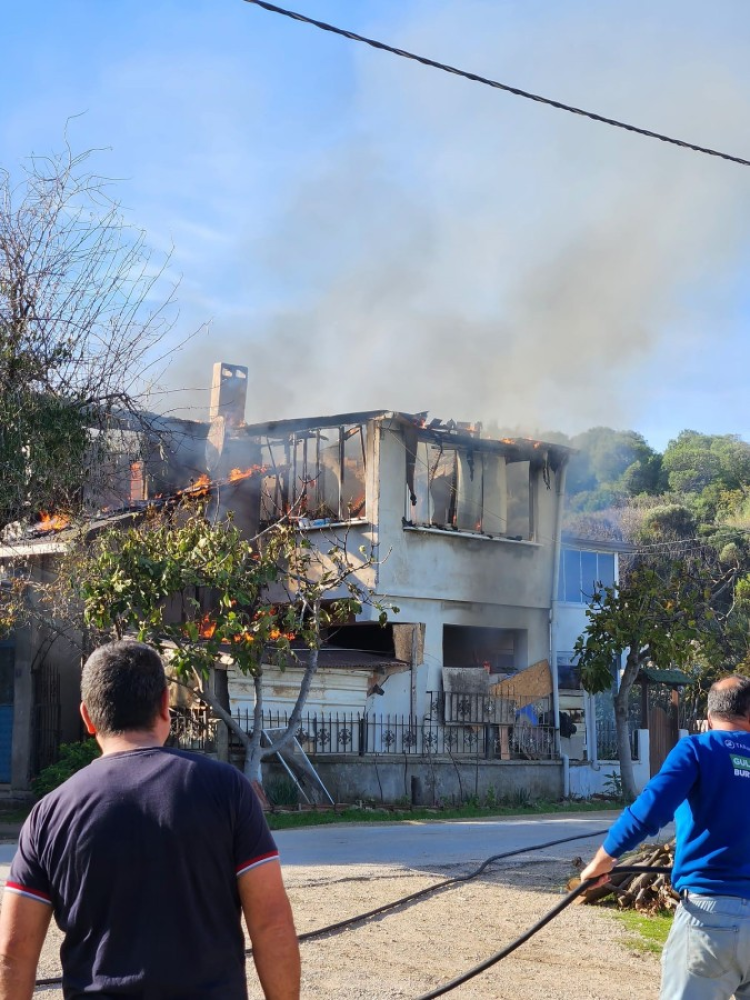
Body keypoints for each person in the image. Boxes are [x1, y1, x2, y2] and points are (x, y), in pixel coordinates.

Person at [0, 640, 301, 1000]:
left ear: (87, 718)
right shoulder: (227, 790)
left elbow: (13, 954)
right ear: (164, 705)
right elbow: (272, 924)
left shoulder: (49, 814)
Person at [581, 675, 750, 1000]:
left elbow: (649, 811)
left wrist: (602, 861)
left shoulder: (697, 749)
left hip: (710, 919)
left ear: (709, 717)